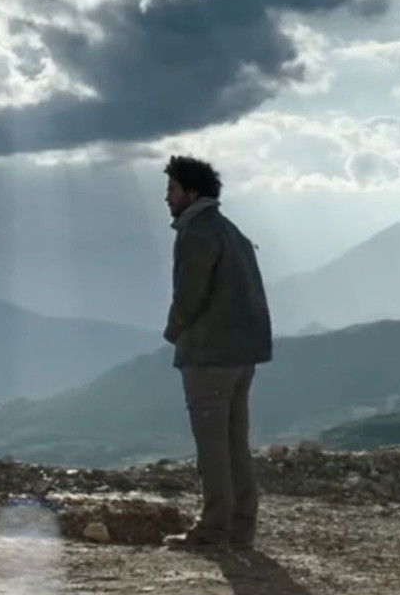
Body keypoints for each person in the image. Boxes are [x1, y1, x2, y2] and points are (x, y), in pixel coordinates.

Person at [159, 155, 274, 550]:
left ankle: (212, 531)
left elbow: (188, 295)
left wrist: (174, 331)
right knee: (235, 443)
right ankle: (241, 529)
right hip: (242, 354)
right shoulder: (229, 230)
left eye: (172, 189)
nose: (167, 197)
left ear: (192, 193)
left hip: (209, 355)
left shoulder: (196, 233)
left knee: (212, 447)